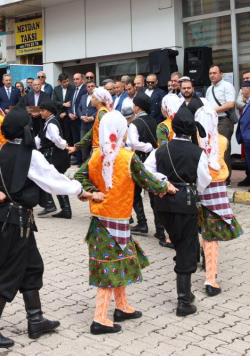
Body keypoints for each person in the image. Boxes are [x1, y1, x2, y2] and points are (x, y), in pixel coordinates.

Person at [0, 104, 92, 348]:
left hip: (12, 220)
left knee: (32, 267)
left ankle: (35, 320)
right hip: (17, 223)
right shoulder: (31, 155)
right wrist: (81, 190)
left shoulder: (0, 151)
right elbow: (53, 180)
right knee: (10, 273)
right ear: (25, 129)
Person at [74, 111, 172, 334]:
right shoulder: (127, 157)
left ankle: (122, 307)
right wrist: (167, 187)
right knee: (109, 268)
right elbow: (149, 181)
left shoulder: (96, 155)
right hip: (117, 219)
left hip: (100, 220)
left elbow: (79, 177)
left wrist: (91, 192)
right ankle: (99, 319)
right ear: (120, 130)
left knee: (118, 263)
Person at [144, 106, 211, 317]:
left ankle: (187, 294)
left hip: (163, 205)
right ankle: (183, 301)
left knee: (179, 243)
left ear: (173, 128)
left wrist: (164, 182)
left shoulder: (159, 150)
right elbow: (204, 181)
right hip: (186, 203)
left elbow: (146, 172)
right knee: (186, 249)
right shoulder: (198, 152)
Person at [195, 106, 243, 297]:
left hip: (196, 188)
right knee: (212, 235)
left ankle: (199, 264)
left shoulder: (193, 140)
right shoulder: (222, 140)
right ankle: (210, 278)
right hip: (216, 190)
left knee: (200, 229)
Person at [126, 94, 160, 238]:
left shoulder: (135, 123)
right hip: (153, 161)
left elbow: (133, 143)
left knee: (134, 192)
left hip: (140, 160)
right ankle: (160, 229)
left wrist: (146, 147)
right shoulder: (155, 121)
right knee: (153, 195)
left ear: (138, 107)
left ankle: (142, 222)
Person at [34, 99, 73, 219]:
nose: (41, 113)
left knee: (47, 179)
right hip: (52, 156)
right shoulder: (48, 122)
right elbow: (40, 139)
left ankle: (52, 205)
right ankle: (65, 209)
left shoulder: (51, 123)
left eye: (43, 110)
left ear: (49, 111)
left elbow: (57, 139)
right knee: (54, 180)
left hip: (55, 156)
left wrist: (64, 145)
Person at [205, 65, 236, 184]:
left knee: (223, 148)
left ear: (221, 74)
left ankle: (225, 177)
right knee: (212, 148)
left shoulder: (227, 86)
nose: (212, 75)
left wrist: (213, 110)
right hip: (212, 121)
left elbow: (230, 104)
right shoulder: (209, 89)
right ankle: (215, 174)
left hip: (224, 120)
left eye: (214, 73)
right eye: (210, 73)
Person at [71, 86, 113, 155]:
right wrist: (77, 147)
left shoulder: (102, 114)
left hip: (102, 151)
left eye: (93, 97)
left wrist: (76, 147)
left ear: (99, 100)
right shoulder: (101, 112)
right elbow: (92, 132)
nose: (91, 99)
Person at [71, 80, 97, 162]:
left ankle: (93, 162)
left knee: (94, 144)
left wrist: (92, 117)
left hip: (94, 123)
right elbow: (79, 108)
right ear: (86, 88)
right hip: (84, 124)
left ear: (95, 87)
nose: (90, 88)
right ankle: (84, 162)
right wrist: (81, 116)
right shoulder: (83, 97)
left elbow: (100, 109)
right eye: (88, 86)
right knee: (83, 144)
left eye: (92, 86)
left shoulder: (97, 97)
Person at [69, 73, 87, 165]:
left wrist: (78, 115)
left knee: (81, 139)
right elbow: (70, 104)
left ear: (82, 80)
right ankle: (77, 157)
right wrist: (69, 113)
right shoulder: (73, 90)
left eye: (77, 79)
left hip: (80, 119)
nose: (75, 81)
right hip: (73, 119)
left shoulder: (84, 89)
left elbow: (83, 105)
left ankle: (83, 159)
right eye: (74, 79)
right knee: (75, 139)